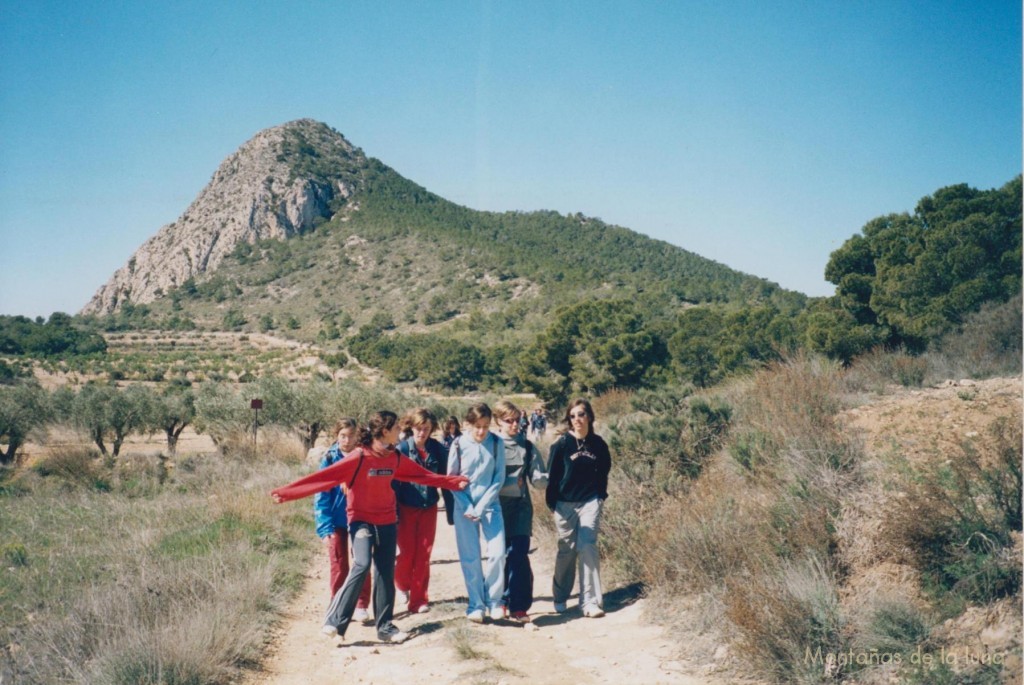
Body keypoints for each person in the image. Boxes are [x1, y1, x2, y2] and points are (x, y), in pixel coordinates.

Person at [271, 411, 469, 644]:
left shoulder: (394, 457)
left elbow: (423, 476)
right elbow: (325, 478)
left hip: (387, 522)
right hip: (361, 522)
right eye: (396, 428)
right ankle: (335, 621)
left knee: (385, 573)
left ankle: (385, 627)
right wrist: (286, 493)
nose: (399, 432)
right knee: (362, 563)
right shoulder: (359, 457)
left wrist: (453, 483)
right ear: (385, 431)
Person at [545, 398, 611, 618]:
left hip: (590, 502)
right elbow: (552, 476)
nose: (577, 420)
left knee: (587, 546)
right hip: (564, 504)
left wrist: (600, 497)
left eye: (581, 415)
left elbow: (604, 472)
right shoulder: (562, 444)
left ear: (589, 417)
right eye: (572, 416)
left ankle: (590, 601)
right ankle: (560, 595)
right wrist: (553, 504)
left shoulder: (599, 444)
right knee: (567, 550)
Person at [447, 403, 506, 622]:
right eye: (477, 426)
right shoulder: (458, 444)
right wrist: (468, 506)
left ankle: (495, 601)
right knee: (470, 557)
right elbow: (452, 479)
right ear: (468, 424)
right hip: (464, 508)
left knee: (498, 553)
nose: (481, 431)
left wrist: (481, 506)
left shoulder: (497, 443)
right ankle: (476, 605)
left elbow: (498, 478)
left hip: (491, 506)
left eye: (486, 426)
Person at [493, 400, 547, 623]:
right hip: (496, 509)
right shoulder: (492, 446)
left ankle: (520, 605)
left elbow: (537, 478)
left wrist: (546, 479)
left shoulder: (527, 446)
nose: (515, 425)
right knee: (501, 556)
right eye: (509, 421)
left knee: (519, 555)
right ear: (498, 422)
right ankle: (501, 601)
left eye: (517, 420)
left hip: (521, 509)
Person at [314, 418, 372, 623]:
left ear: (358, 436)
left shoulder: (364, 456)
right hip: (336, 520)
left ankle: (361, 604)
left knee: (362, 562)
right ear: (336, 436)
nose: (346, 440)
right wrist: (324, 527)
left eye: (351, 435)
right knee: (338, 564)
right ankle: (337, 605)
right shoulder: (330, 458)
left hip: (359, 517)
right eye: (342, 436)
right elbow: (322, 495)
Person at [394, 408, 447, 614]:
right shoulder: (402, 450)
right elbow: (393, 482)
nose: (422, 433)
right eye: (418, 428)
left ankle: (419, 600)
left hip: (429, 507)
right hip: (405, 507)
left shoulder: (438, 449)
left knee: (424, 553)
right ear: (411, 427)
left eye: (426, 429)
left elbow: (446, 476)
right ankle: (401, 585)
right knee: (407, 553)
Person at [439, 416, 462, 526]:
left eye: (454, 423)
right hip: (445, 469)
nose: (452, 426)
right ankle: (451, 518)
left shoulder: (461, 437)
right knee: (447, 495)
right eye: (450, 424)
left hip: (459, 470)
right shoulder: (444, 438)